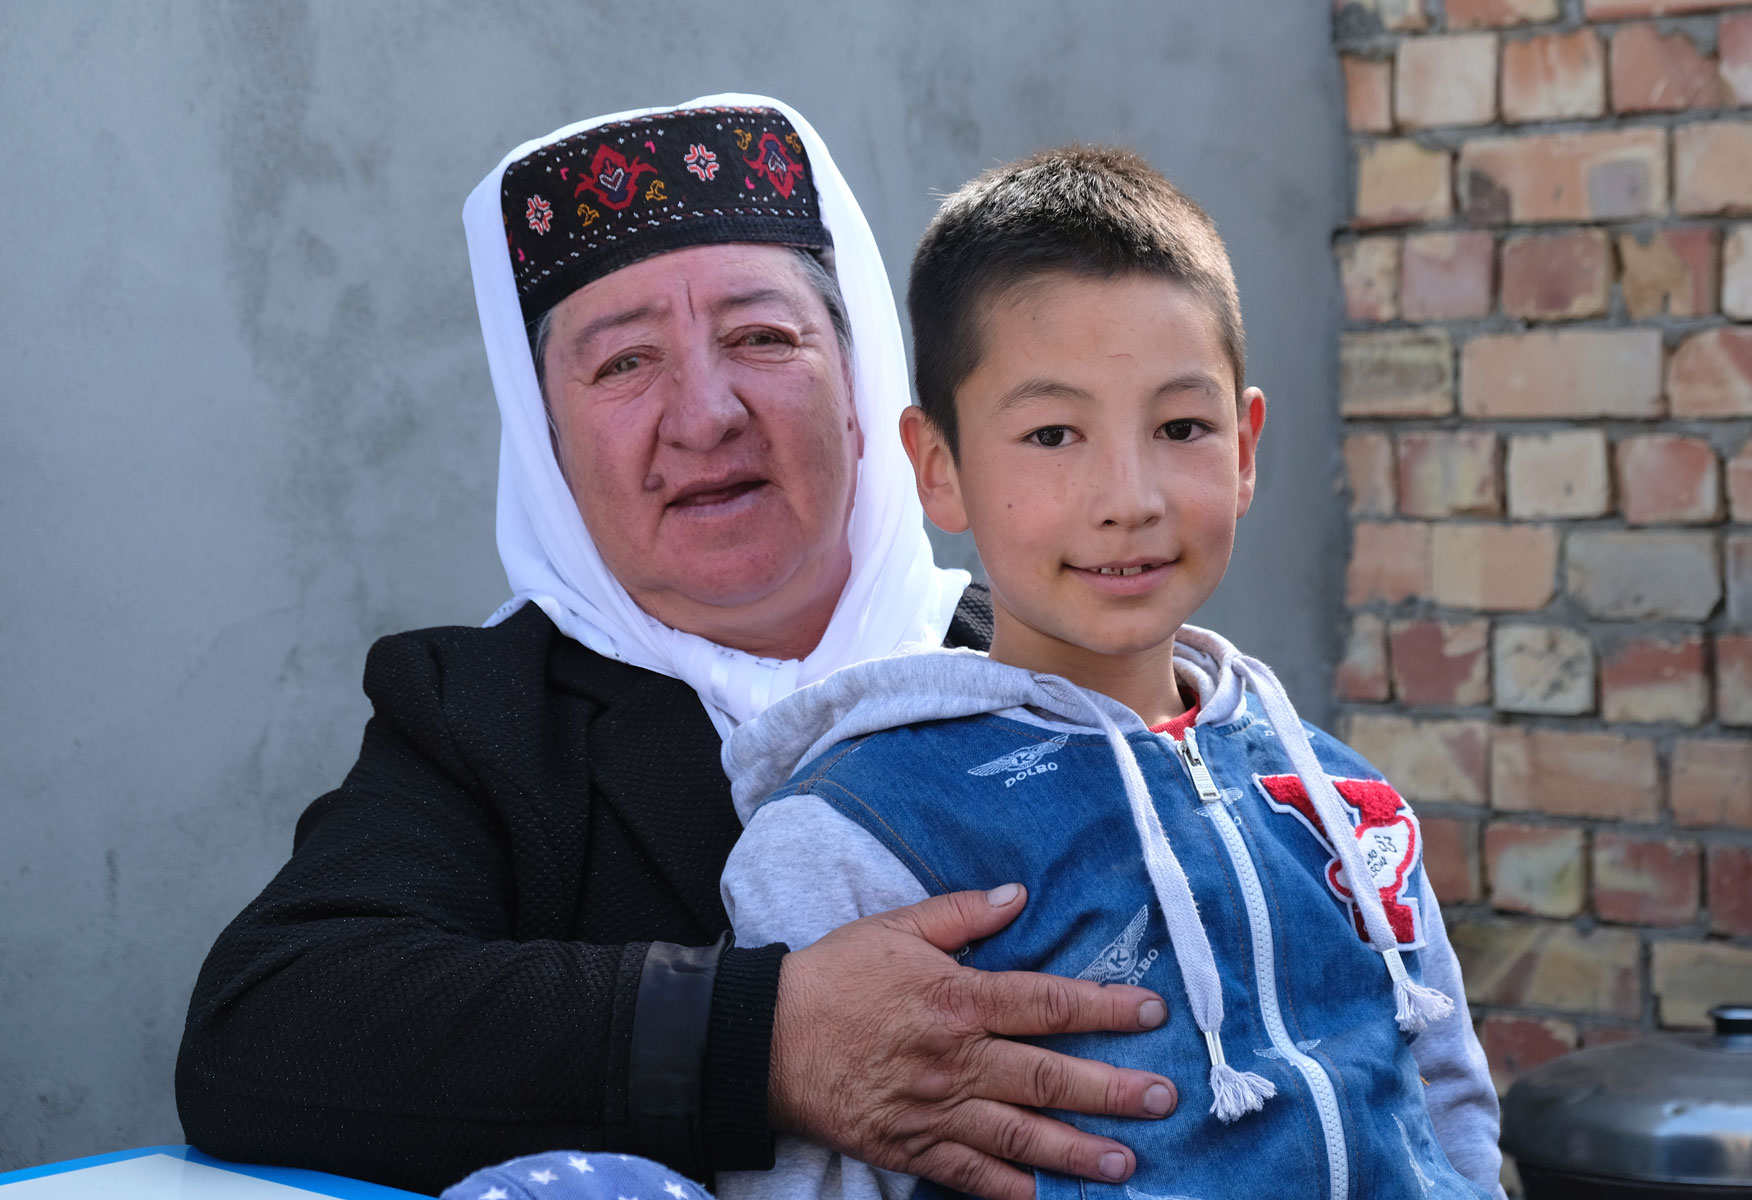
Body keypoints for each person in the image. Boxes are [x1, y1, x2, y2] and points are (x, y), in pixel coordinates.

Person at [174, 97, 1179, 1200]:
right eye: (622, 366)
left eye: (762, 338)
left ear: (861, 388)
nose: (704, 415)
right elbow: (268, 1028)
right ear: (546, 440)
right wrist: (762, 1040)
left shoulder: (1052, 657)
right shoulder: (489, 717)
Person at [709, 147, 1505, 1199]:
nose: (1127, 497)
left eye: (1181, 427)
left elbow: (1449, 1109)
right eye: (1052, 434)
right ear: (938, 465)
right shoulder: (863, 833)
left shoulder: (1341, 801)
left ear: (1247, 446)